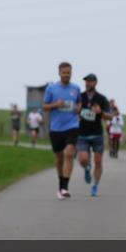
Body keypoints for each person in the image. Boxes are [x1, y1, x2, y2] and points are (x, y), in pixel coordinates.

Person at [42, 62, 81, 199]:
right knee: (59, 158)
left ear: (71, 73)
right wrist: (55, 105)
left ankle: (65, 187)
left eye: (68, 72)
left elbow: (79, 103)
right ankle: (61, 183)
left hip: (72, 126)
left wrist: (79, 108)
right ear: (59, 73)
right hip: (56, 128)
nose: (66, 75)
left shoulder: (76, 88)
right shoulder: (51, 88)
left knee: (69, 153)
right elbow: (45, 106)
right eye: (64, 73)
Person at [76, 73, 113, 197]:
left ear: (95, 83)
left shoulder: (101, 98)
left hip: (97, 134)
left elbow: (110, 116)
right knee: (82, 159)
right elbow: (73, 112)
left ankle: (95, 185)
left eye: (90, 81)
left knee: (98, 161)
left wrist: (100, 112)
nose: (87, 83)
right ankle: (87, 168)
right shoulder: (80, 97)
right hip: (82, 134)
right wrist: (77, 111)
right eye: (86, 81)